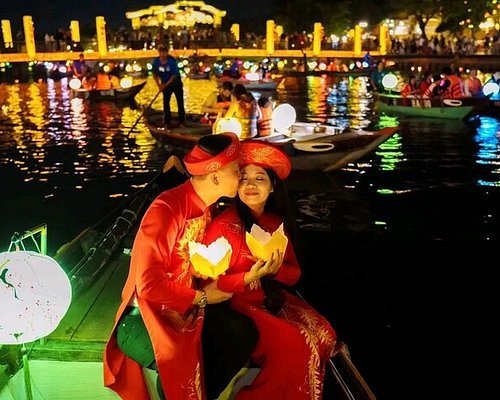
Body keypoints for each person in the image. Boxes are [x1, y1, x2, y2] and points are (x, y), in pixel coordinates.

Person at [103, 133, 258, 400]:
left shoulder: (205, 207)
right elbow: (149, 286)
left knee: (243, 332)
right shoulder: (166, 209)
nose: (242, 177)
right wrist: (205, 297)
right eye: (237, 171)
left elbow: (190, 263)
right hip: (142, 319)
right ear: (215, 177)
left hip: (183, 311)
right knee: (184, 359)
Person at [203, 141, 338, 400]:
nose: (251, 185)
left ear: (272, 186)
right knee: (299, 343)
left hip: (270, 299)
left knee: (324, 334)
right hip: (238, 306)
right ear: (235, 185)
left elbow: (294, 274)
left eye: (260, 178)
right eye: (244, 178)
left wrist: (273, 271)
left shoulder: (275, 223)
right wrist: (249, 276)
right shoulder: (224, 226)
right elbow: (211, 284)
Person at [152, 45, 186, 129]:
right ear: (159, 53)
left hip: (175, 83)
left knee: (180, 102)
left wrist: (166, 84)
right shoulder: (156, 62)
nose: (163, 55)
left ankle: (181, 121)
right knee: (166, 102)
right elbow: (154, 74)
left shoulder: (172, 61)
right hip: (164, 84)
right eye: (161, 53)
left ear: (167, 53)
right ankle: (167, 121)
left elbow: (174, 75)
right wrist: (159, 85)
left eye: (164, 53)